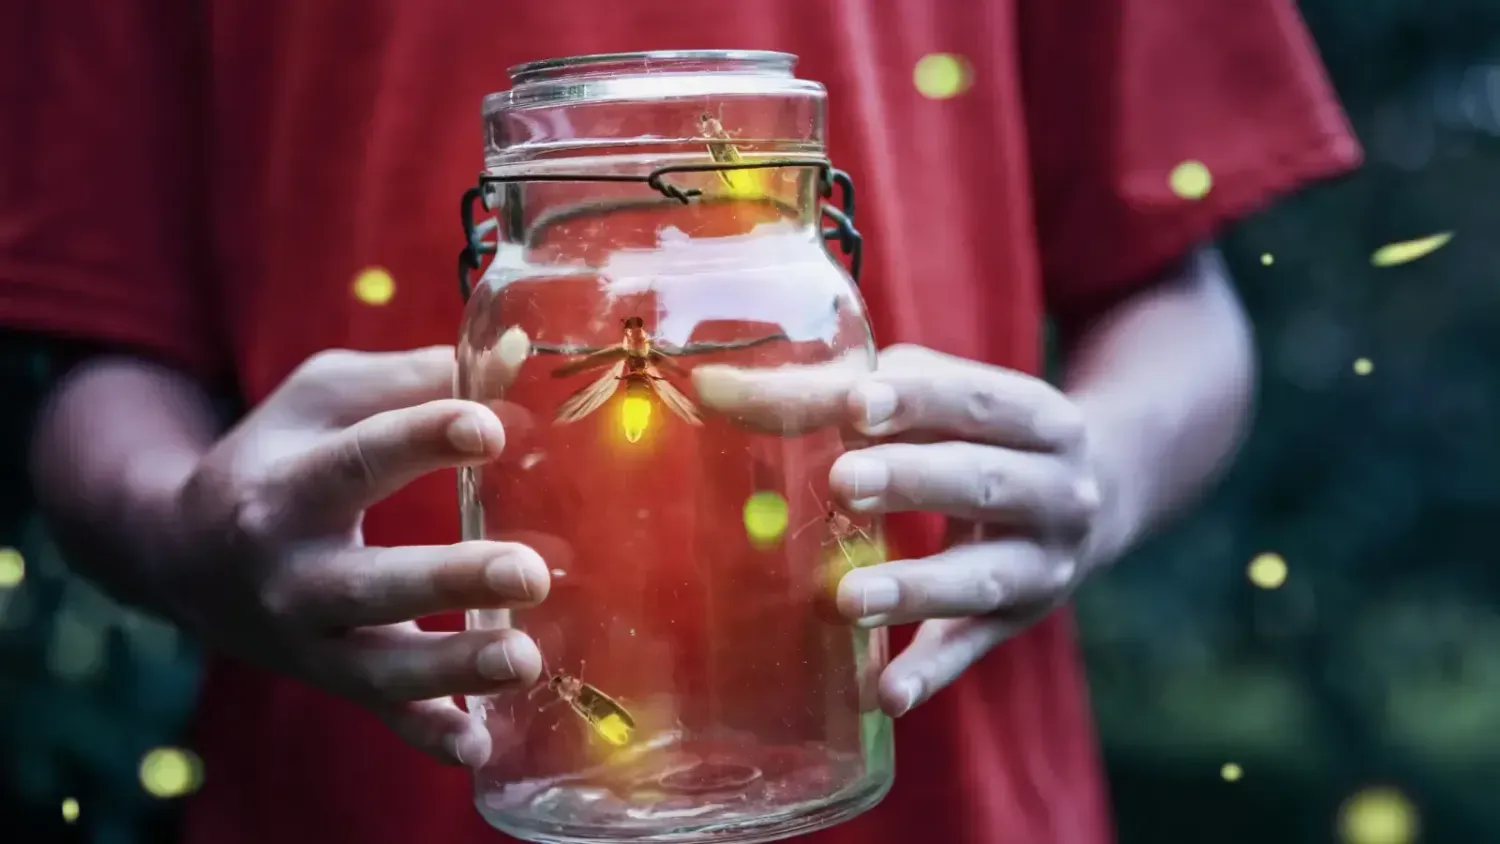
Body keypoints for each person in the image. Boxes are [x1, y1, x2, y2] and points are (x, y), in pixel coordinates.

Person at [0, 0, 1360, 842]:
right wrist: (183, 529)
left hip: (970, 800)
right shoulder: (525, 280)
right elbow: (95, 346)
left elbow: (1179, 304)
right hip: (339, 801)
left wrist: (1106, 467)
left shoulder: (794, 274)